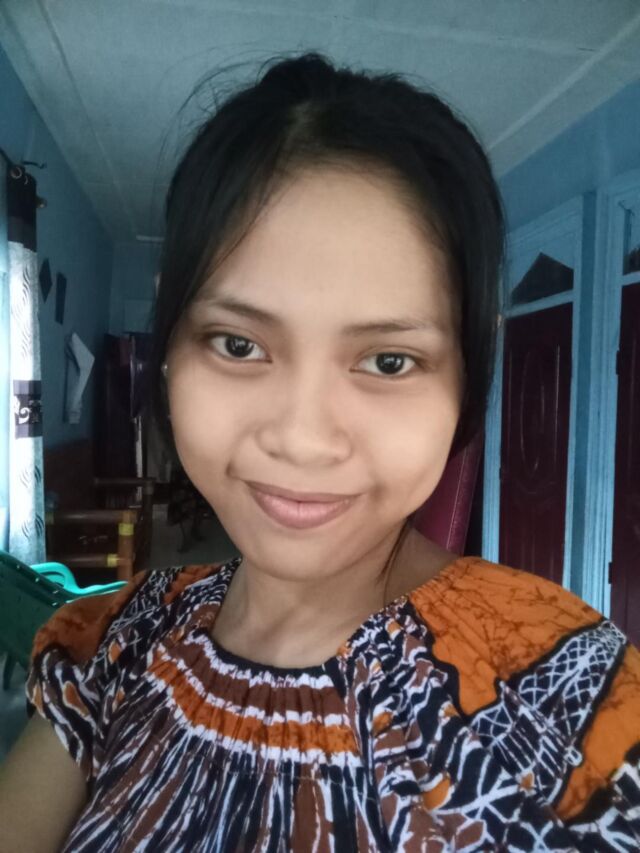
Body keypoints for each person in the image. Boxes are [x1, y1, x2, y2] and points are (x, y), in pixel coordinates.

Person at [0, 52, 638, 853]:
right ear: (171, 345)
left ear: (470, 366)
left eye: (388, 360)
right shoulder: (119, 638)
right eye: (238, 344)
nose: (301, 438)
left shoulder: (568, 702)